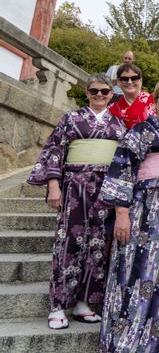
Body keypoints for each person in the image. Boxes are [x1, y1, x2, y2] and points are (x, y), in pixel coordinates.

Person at [99, 78, 159, 353]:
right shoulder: (140, 131)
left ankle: (154, 343)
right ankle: (123, 341)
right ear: (156, 100)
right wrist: (121, 213)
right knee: (132, 269)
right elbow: (122, 170)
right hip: (142, 209)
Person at [29, 74, 127, 330]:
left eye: (104, 92)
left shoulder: (117, 124)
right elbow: (54, 150)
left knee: (99, 244)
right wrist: (53, 184)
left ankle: (84, 302)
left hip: (106, 188)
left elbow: (123, 160)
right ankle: (58, 305)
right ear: (87, 93)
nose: (99, 96)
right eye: (94, 91)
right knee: (68, 243)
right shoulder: (71, 119)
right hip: (75, 185)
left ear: (110, 94)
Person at [109, 63, 155, 128]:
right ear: (118, 82)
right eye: (124, 79)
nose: (129, 82)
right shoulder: (112, 109)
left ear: (141, 80)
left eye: (134, 78)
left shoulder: (155, 101)